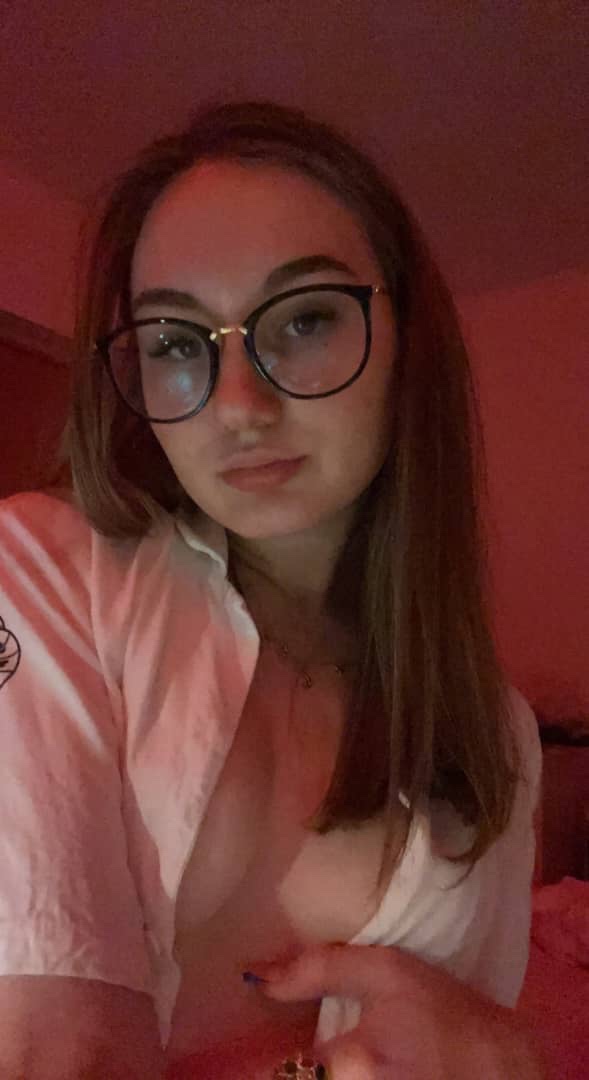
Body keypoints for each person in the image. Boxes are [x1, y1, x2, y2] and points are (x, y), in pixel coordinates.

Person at [0, 100, 544, 1079]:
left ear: (408, 342)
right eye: (176, 342)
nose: (239, 405)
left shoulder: (493, 735)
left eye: (302, 321)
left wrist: (508, 1053)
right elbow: (55, 1052)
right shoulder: (40, 576)